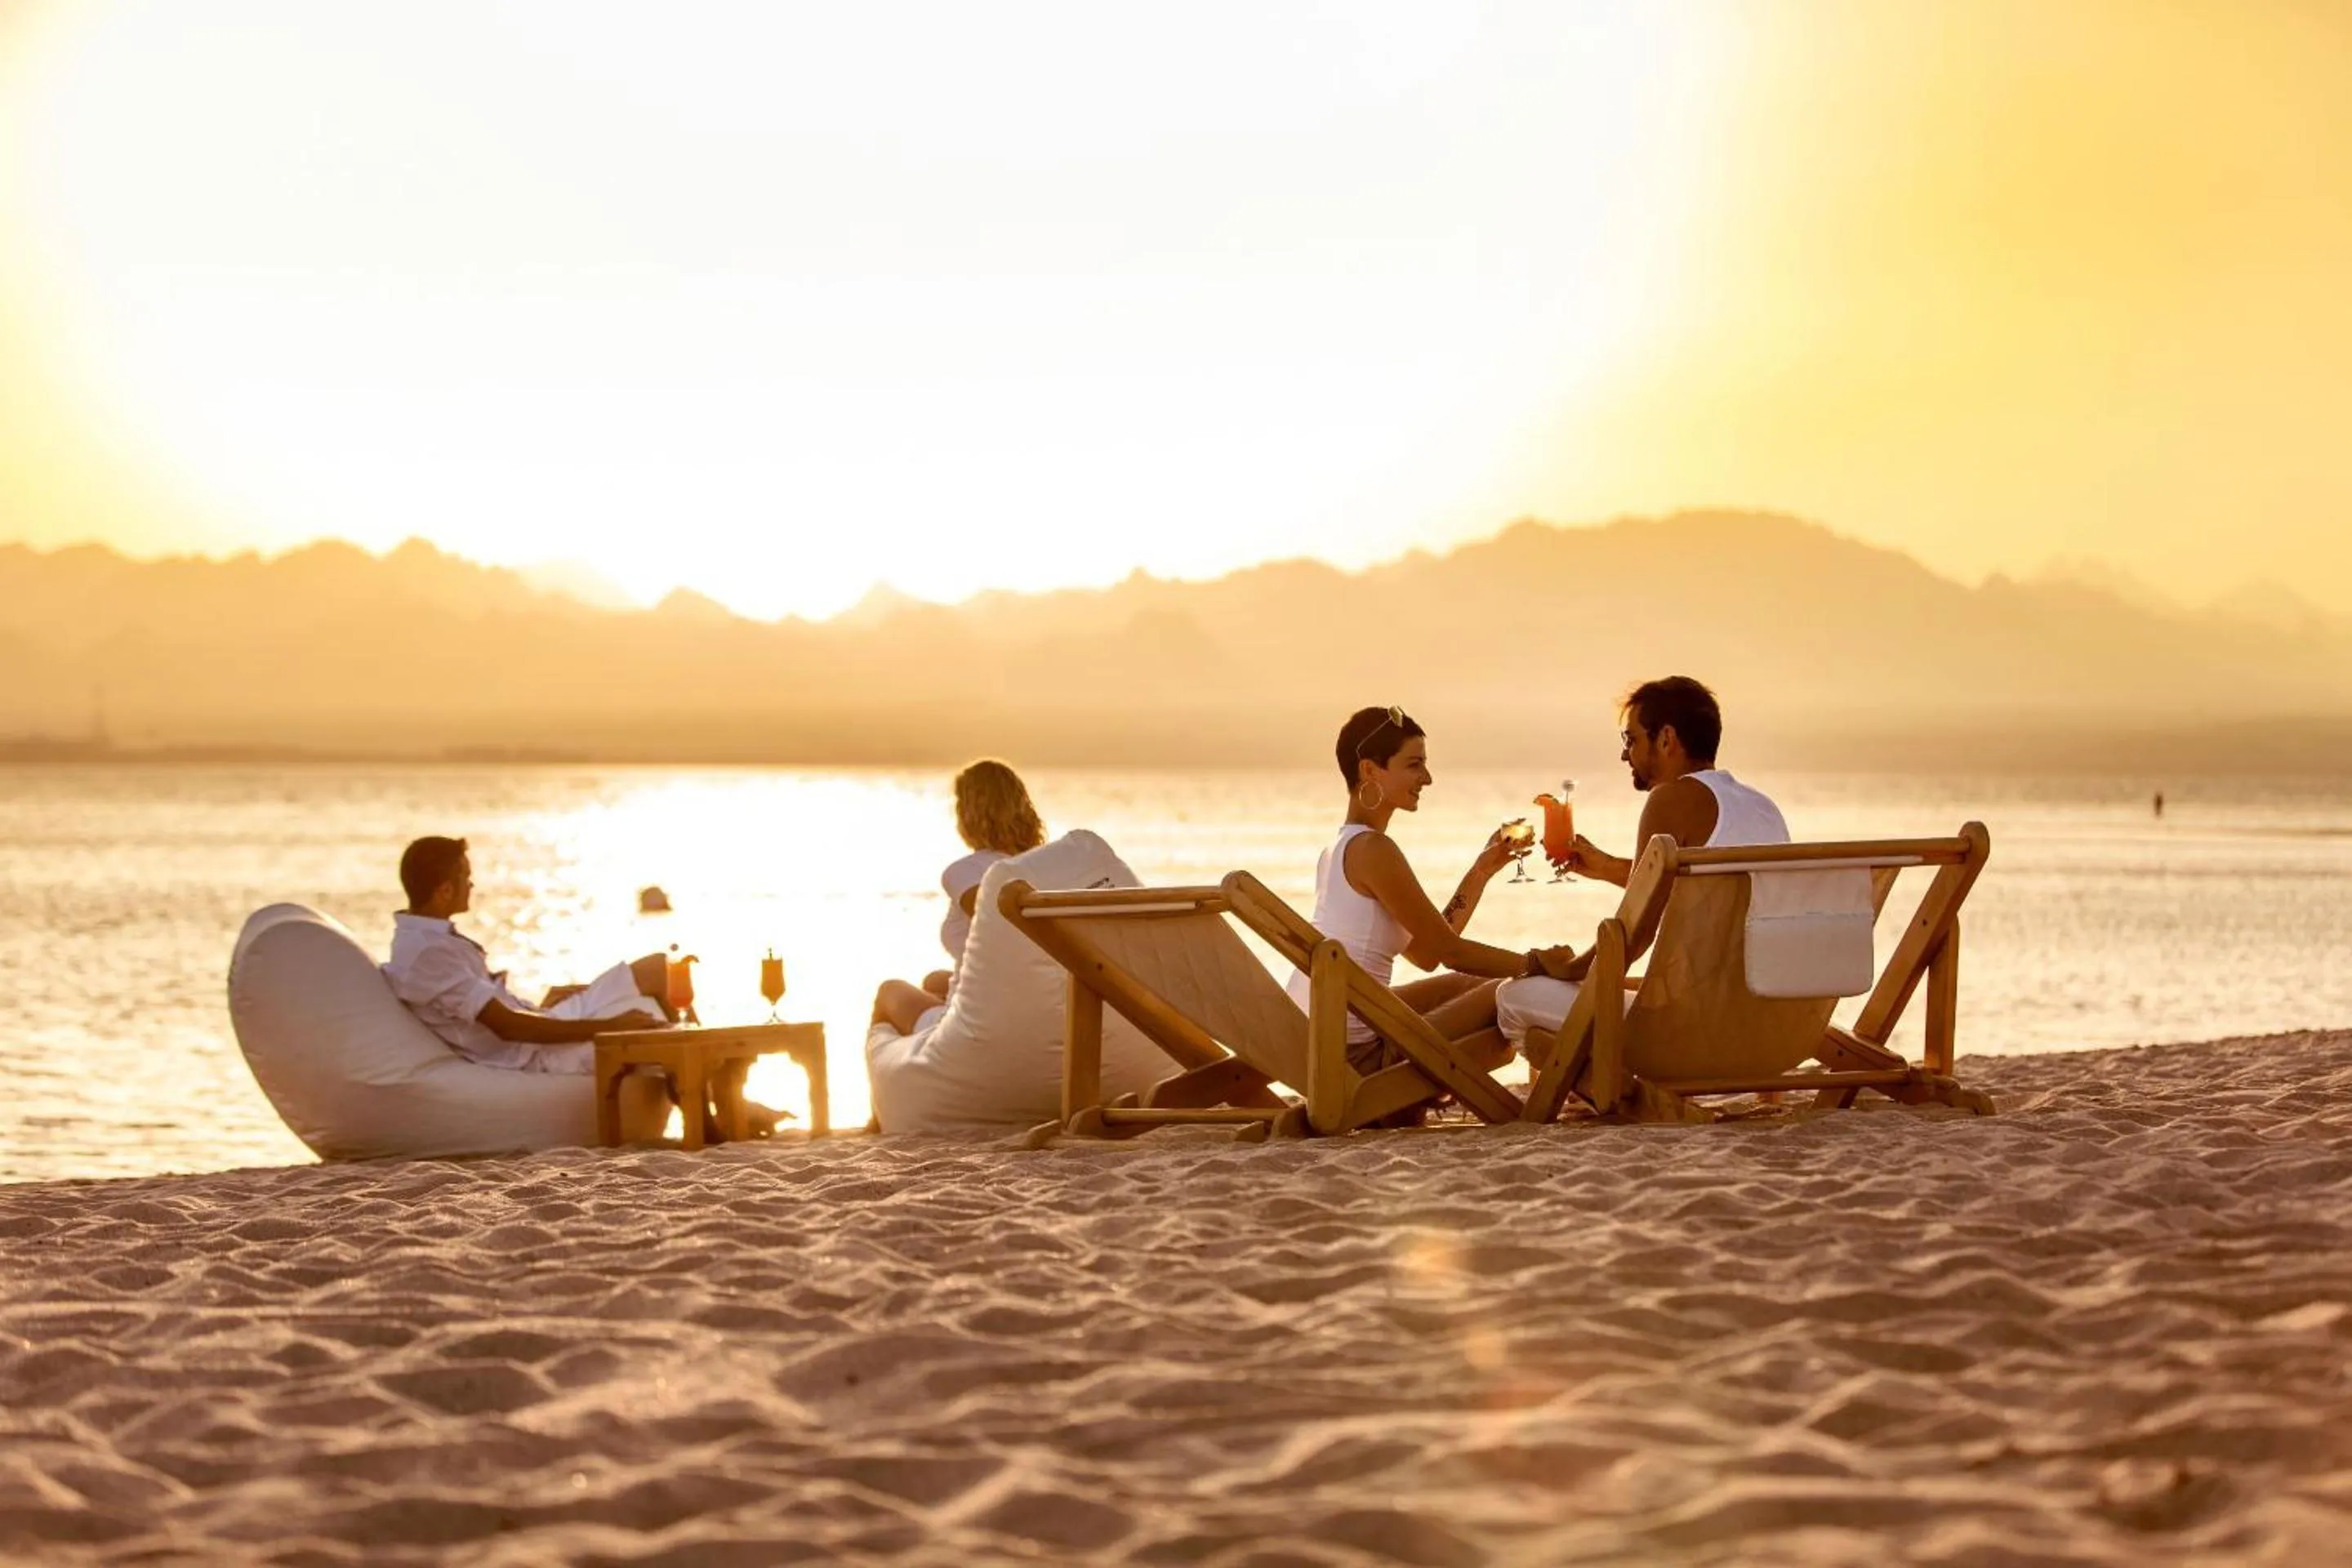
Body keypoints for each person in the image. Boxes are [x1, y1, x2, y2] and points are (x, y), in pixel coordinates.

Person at [1494, 676, 1788, 1056]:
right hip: (1764, 1023)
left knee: (1513, 997)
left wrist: (1568, 969)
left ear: (1666, 739)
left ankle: (1606, 1087)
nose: (1624, 756)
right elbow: (1697, 889)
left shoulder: (1669, 800)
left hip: (1690, 1030)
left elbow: (1633, 934)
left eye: (1630, 740)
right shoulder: (1761, 806)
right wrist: (1606, 868)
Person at [1295, 705, 1576, 1081]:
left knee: (1473, 987)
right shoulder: (1373, 851)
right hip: (1355, 1054)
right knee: (1513, 992)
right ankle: (1568, 1084)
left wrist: (1480, 873)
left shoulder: (1340, 848)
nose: (1427, 778)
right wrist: (1538, 966)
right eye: (1413, 765)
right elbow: (1449, 952)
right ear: (1369, 770)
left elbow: (1426, 953)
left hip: (1323, 1032)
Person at [384, 835, 677, 1076]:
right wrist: (610, 1027)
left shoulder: (427, 939)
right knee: (657, 1023)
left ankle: (694, 1094)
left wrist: (537, 1007)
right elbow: (509, 1027)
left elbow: (492, 1008)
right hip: (534, 1054)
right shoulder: (428, 955)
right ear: (445, 891)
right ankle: (700, 1110)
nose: (471, 885)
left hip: (541, 1022)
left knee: (657, 969)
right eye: (466, 877)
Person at [871, 760, 1049, 1036]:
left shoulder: (965, 873)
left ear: (968, 814)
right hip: (1034, 1000)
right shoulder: (1041, 866)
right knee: (934, 981)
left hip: (978, 1021)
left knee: (888, 991)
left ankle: (914, 1069)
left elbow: (1001, 932)